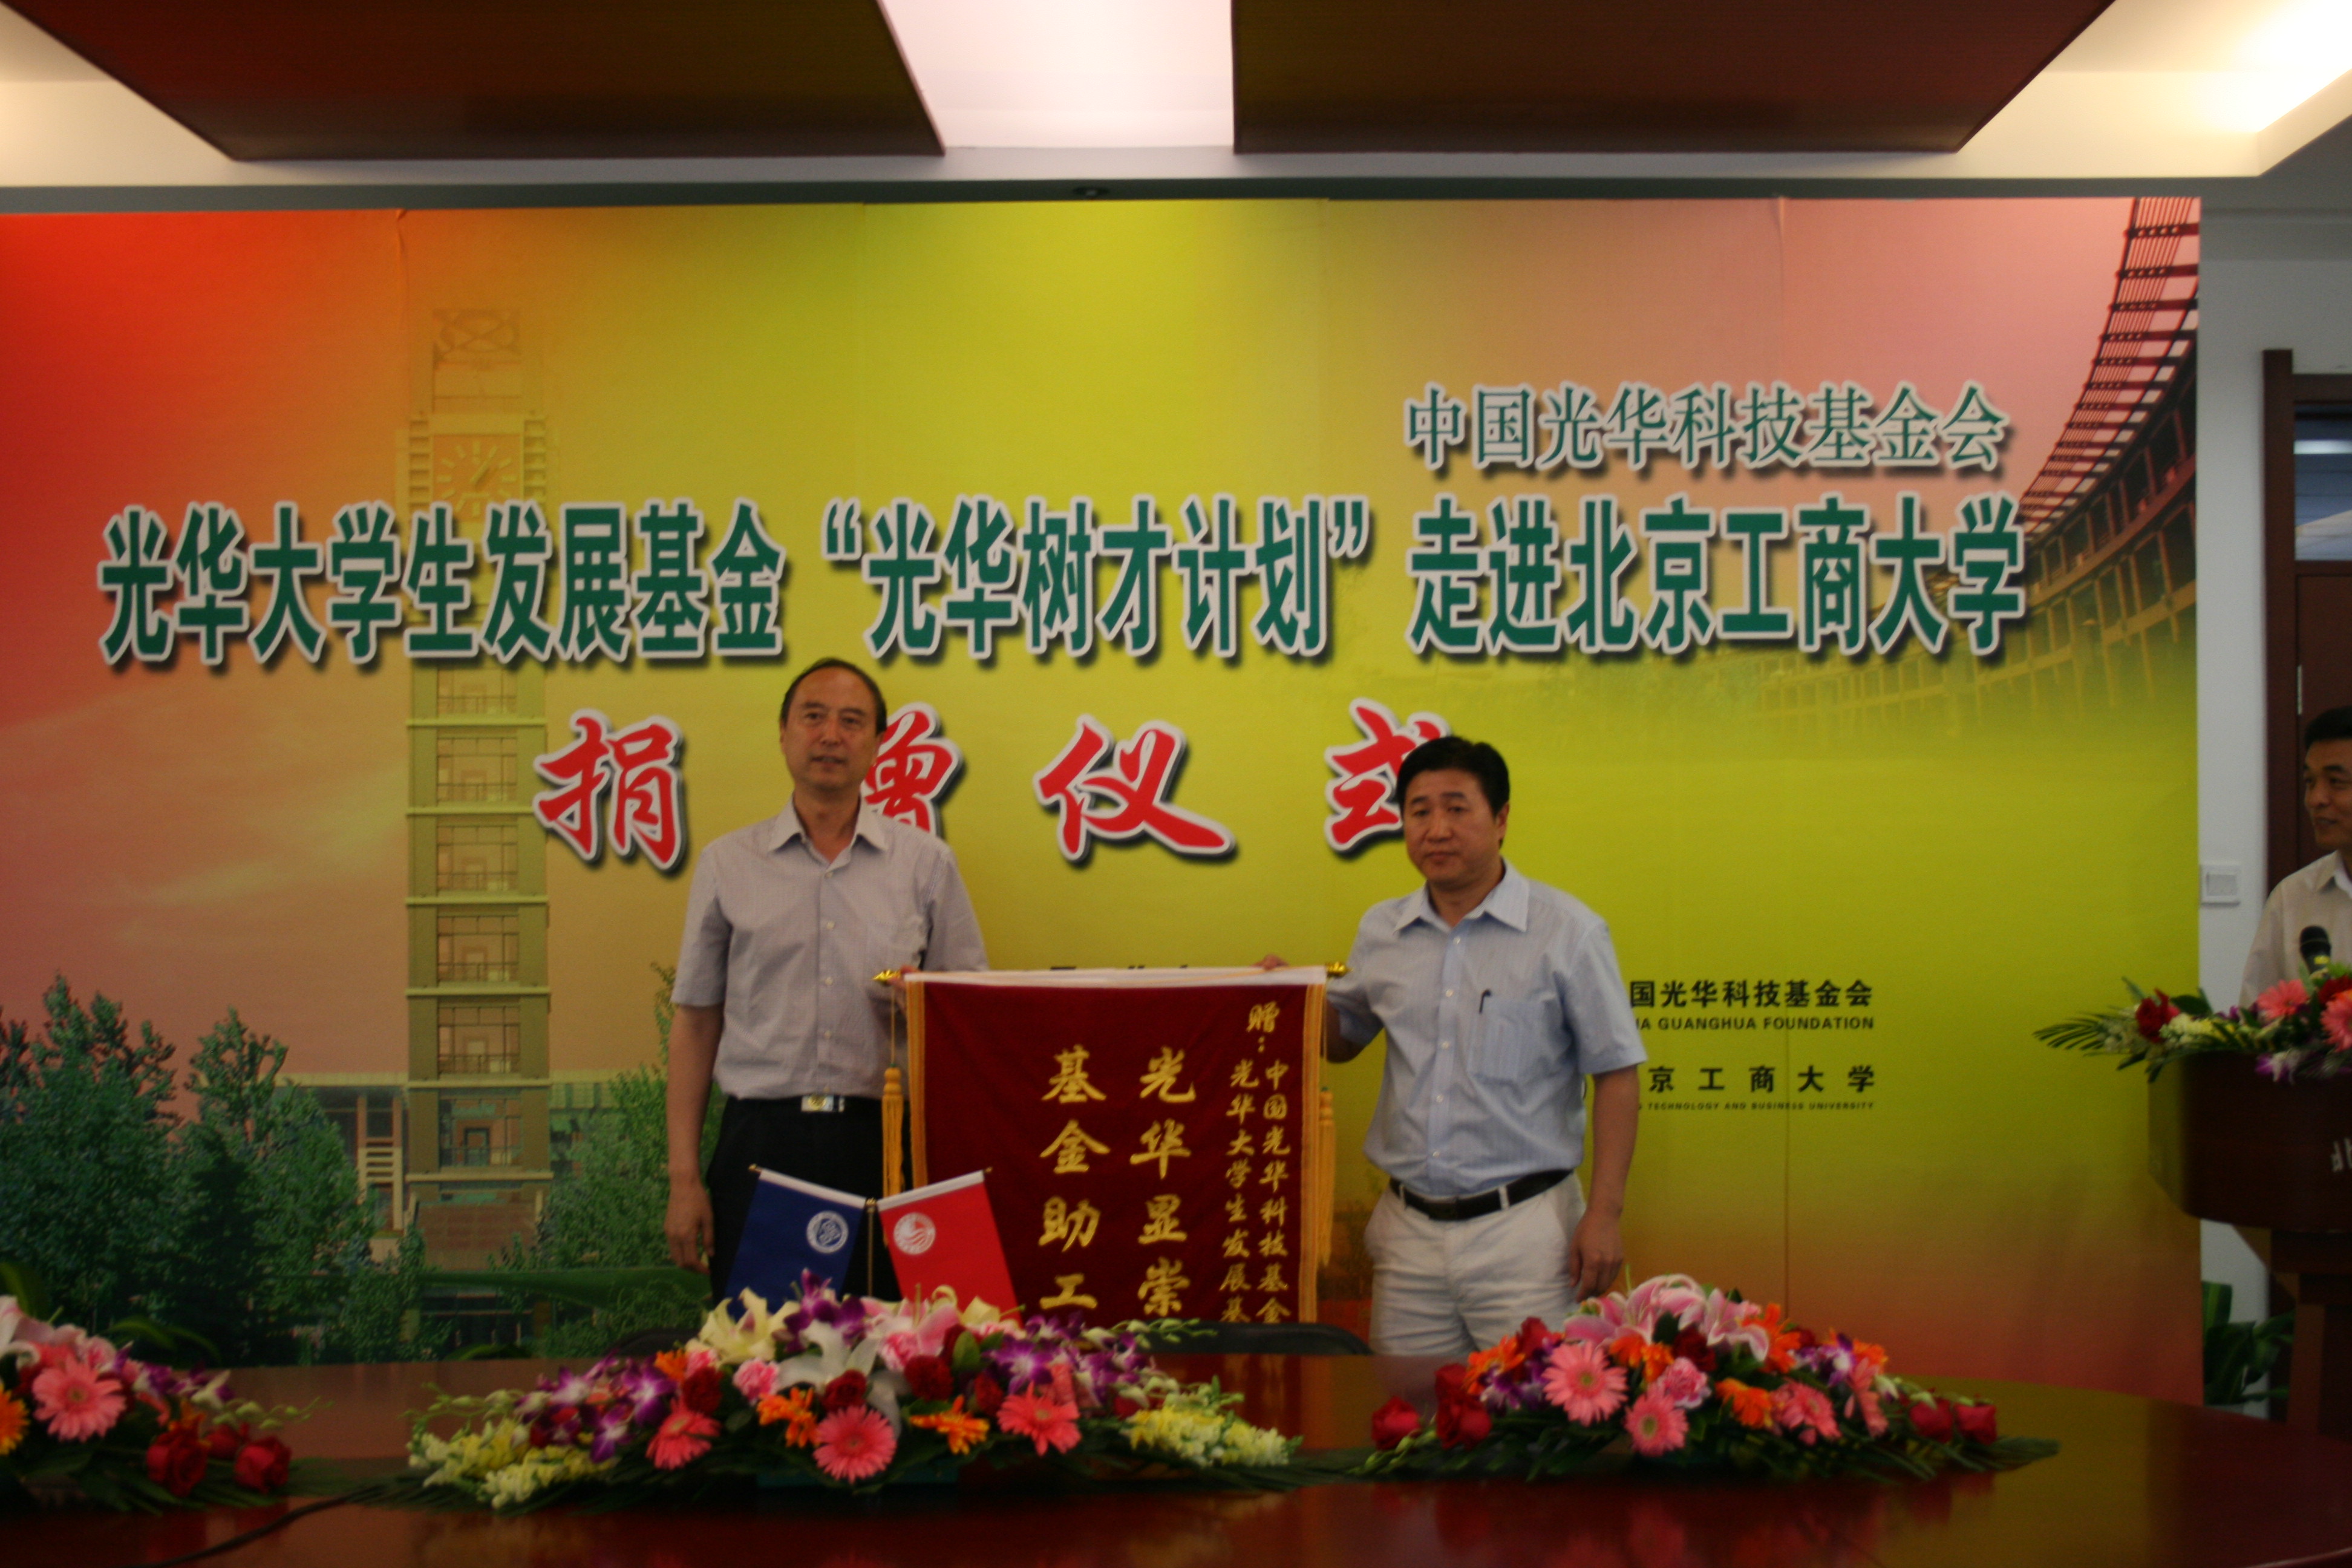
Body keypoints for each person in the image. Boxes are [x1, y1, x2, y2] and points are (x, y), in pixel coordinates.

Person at [1273, 736, 1644, 1357]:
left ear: (1501, 819)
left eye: (1456, 808)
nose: (1436, 829)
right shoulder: (1383, 930)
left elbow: (1617, 1074)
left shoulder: (1568, 931)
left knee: (1533, 1406)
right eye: (1419, 812)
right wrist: (1290, 1002)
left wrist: (1604, 1214)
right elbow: (1342, 1041)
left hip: (1525, 1234)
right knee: (1408, 1411)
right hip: (1409, 1236)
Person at [665, 658, 988, 1301]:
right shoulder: (729, 864)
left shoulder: (925, 865)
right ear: (784, 733)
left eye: (851, 721)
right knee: (760, 1349)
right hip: (763, 1144)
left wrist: (927, 1007)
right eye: (813, 717)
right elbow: (697, 1022)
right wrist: (683, 1179)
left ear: (878, 742)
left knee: (896, 1347)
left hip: (888, 1145)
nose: (831, 736)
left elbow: (970, 1019)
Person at [2240, 705, 2352, 1007]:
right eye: (2310, 782)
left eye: (2336, 783)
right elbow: (2259, 1017)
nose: (2315, 799)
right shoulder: (2293, 897)